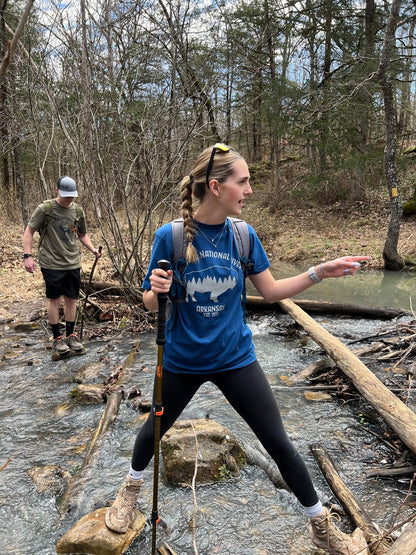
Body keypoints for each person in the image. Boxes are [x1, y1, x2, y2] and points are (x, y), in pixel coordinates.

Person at [105, 144, 370, 554]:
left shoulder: (243, 236)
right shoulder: (170, 237)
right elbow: (149, 301)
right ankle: (130, 490)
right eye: (243, 182)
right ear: (216, 187)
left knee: (279, 442)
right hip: (181, 359)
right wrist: (155, 291)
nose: (249, 190)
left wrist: (320, 271)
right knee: (153, 431)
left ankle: (320, 525)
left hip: (235, 358)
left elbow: (271, 291)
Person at [23, 176, 102, 356]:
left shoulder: (78, 211)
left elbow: (82, 234)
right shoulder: (46, 209)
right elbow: (29, 231)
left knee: (72, 299)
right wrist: (27, 256)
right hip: (51, 262)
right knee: (54, 299)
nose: (69, 199)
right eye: (66, 195)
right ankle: (57, 338)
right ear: (57, 190)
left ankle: (70, 336)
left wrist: (92, 250)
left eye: (72, 196)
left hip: (72, 262)